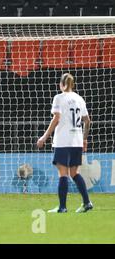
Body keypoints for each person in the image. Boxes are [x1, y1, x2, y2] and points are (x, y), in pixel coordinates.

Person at [37, 73, 93, 213]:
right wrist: (84, 139)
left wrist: (44, 137)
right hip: (77, 141)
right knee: (74, 173)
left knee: (63, 174)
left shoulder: (59, 98)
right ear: (72, 84)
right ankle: (87, 203)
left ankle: (62, 207)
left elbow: (56, 118)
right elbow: (87, 121)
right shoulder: (80, 99)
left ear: (61, 84)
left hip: (63, 141)